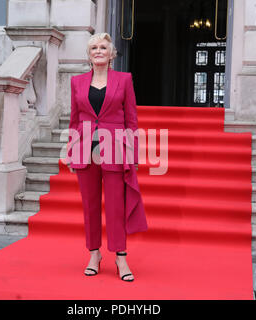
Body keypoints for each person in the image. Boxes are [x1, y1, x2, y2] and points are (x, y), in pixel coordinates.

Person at [65, 33, 148, 282]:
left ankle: (121, 257)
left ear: (111, 54)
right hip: (85, 148)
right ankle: (94, 254)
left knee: (115, 206)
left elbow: (131, 119)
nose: (98, 51)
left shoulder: (124, 80)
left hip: (115, 148)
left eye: (103, 47)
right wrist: (71, 150)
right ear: (89, 54)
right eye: (93, 48)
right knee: (89, 206)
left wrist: (132, 153)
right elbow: (75, 118)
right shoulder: (77, 82)